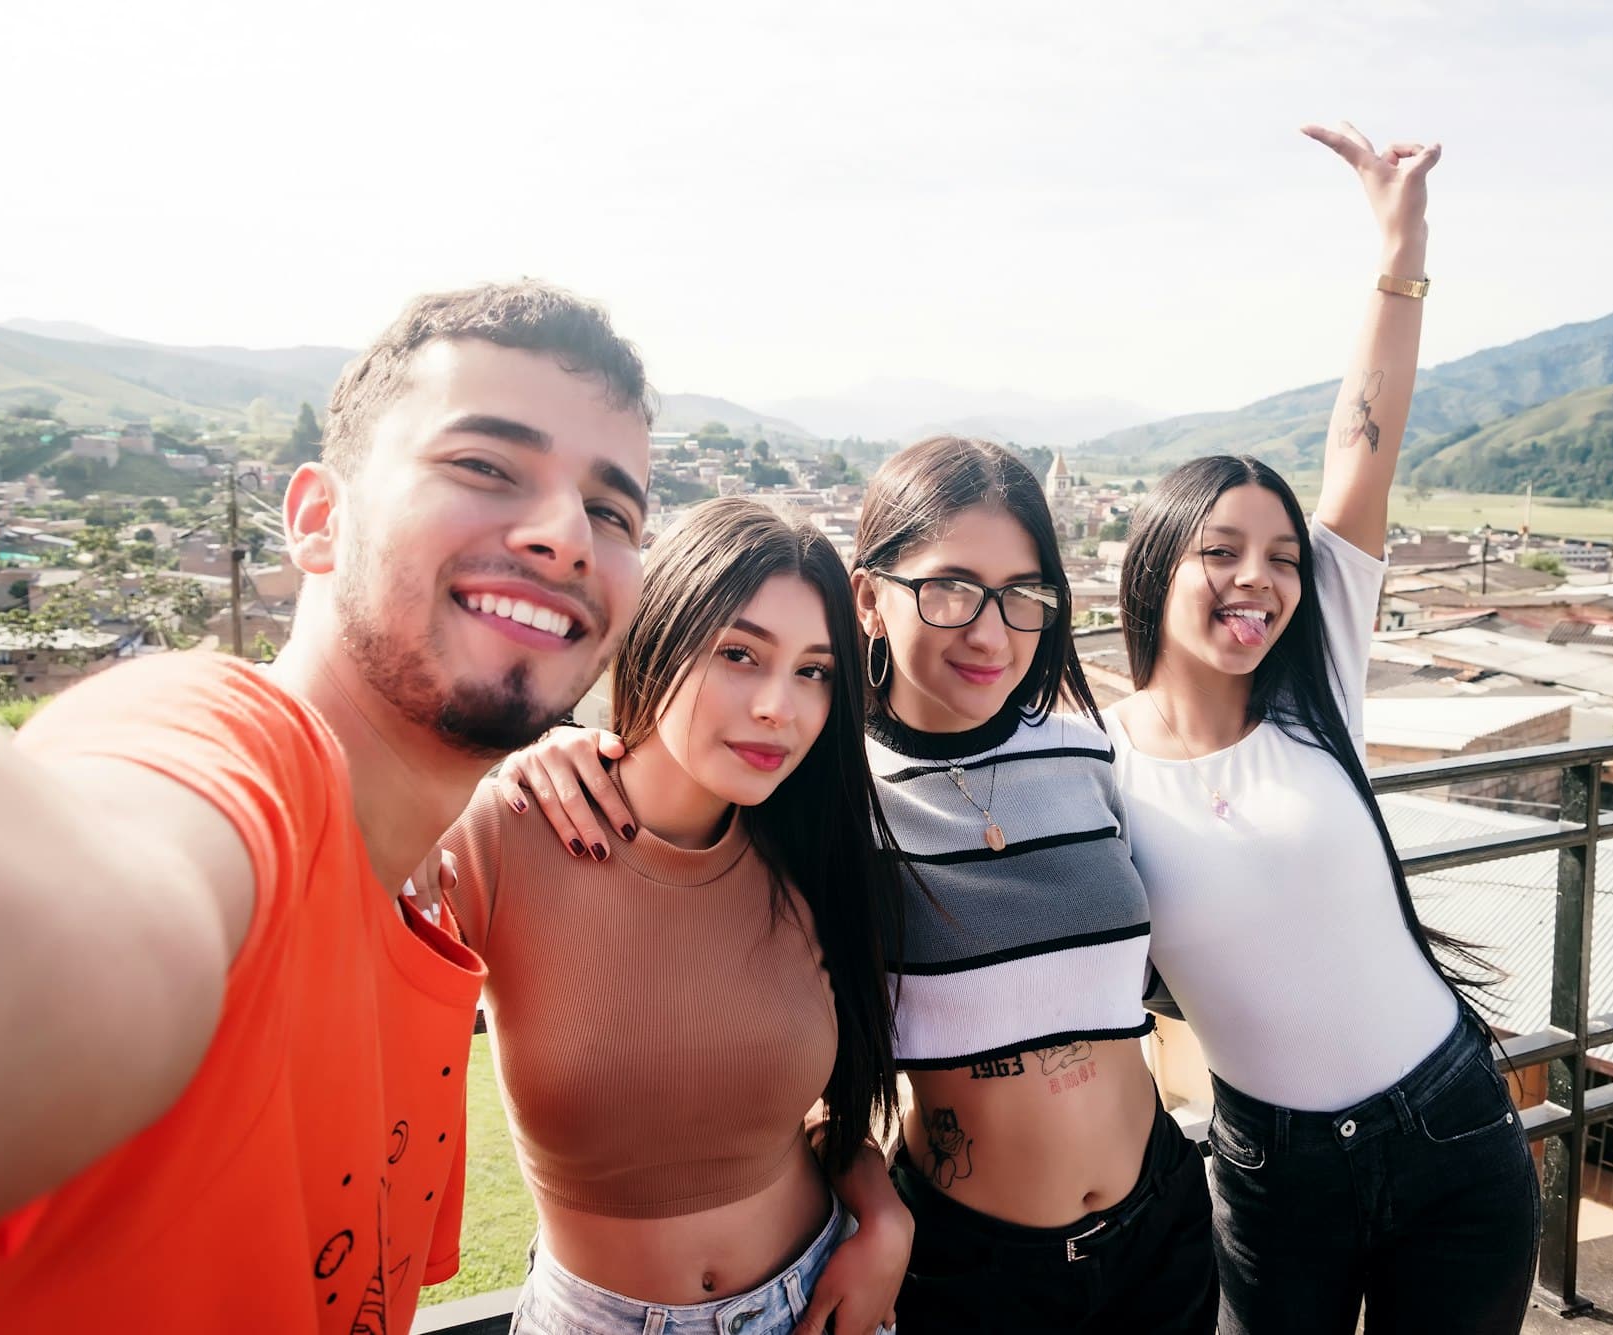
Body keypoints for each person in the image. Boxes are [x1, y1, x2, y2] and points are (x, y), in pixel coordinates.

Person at [0, 280, 655, 1334]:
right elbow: (87, 887)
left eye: (611, 510)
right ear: (317, 522)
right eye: (484, 467)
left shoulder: (427, 925)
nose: (565, 535)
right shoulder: (225, 757)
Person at [509, 437, 1216, 1333]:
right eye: (951, 587)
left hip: (1162, 1225)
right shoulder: (819, 794)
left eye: (1023, 596)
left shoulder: (1083, 747)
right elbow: (784, 1060)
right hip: (973, 1263)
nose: (991, 632)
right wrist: (564, 747)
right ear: (869, 600)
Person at [1104, 124, 1541, 1334]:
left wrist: (1398, 247)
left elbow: (1363, 436)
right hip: (1268, 1175)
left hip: (1448, 1132)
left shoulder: (1313, 684)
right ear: (1154, 565)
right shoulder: (1099, 761)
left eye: (1282, 558)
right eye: (1220, 552)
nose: (1258, 580)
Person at [424, 499, 910, 1335]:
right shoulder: (504, 827)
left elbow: (800, 1110)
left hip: (819, 1299)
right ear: (653, 635)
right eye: (738, 653)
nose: (777, 706)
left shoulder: (811, 854)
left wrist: (885, 1217)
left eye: (814, 670)